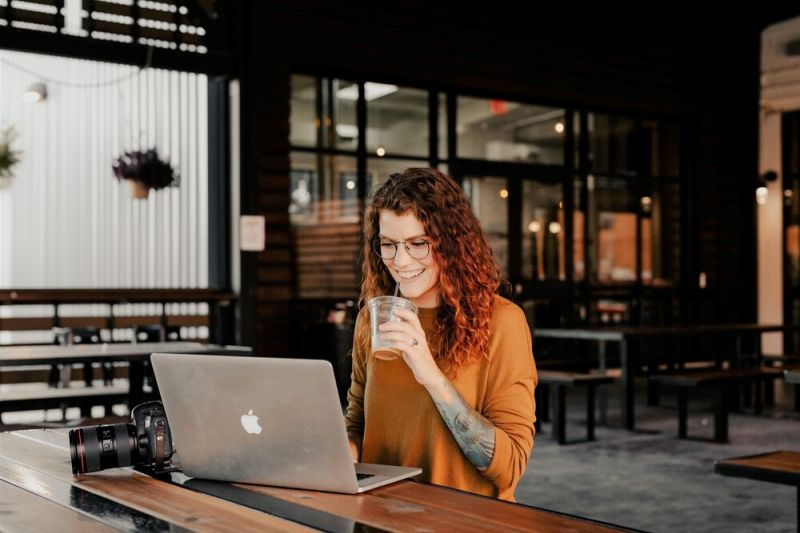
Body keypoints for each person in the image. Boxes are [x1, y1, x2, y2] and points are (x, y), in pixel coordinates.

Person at [345, 168, 537, 502]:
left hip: (463, 521)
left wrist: (431, 375)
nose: (400, 261)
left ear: (451, 243)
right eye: (388, 244)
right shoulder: (372, 320)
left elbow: (509, 468)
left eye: (418, 244)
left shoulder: (502, 322)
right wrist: (330, 450)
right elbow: (358, 424)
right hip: (379, 518)